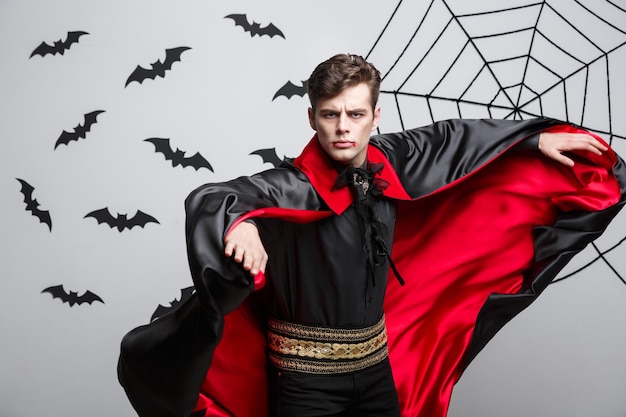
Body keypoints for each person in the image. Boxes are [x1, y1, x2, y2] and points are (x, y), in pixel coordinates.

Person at [118, 54, 626, 417]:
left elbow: (452, 140)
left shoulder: (390, 159)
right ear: (312, 117)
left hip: (376, 371)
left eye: (356, 114)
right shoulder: (290, 184)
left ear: (375, 116)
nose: (344, 127)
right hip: (305, 384)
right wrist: (241, 223)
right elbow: (213, 197)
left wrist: (532, 140)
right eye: (330, 114)